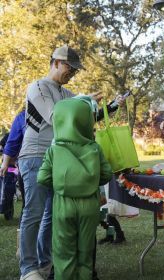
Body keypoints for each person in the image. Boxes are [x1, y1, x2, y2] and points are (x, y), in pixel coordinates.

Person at [18, 45, 123, 280]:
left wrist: (111, 106)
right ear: (55, 62)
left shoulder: (67, 94)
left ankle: (46, 264)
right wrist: (84, 99)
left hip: (59, 160)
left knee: (51, 216)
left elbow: (81, 119)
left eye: (75, 70)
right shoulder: (37, 87)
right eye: (69, 67)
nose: (72, 73)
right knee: (34, 213)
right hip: (36, 155)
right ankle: (28, 268)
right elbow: (57, 116)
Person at [37, 98, 113, 280]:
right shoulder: (94, 148)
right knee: (85, 253)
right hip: (89, 207)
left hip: (63, 205)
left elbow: (42, 177)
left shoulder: (54, 150)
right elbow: (107, 174)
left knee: (63, 253)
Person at [0, 110, 26, 257]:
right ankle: (21, 248)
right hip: (23, 168)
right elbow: (11, 144)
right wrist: (5, 164)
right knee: (27, 207)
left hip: (21, 168)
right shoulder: (22, 117)